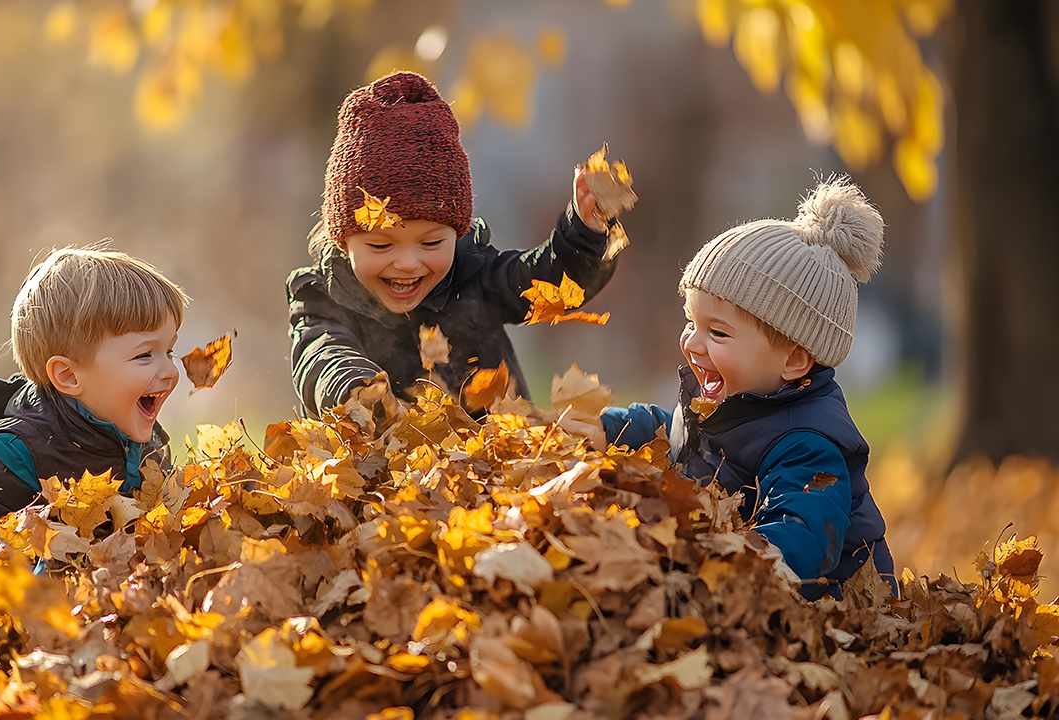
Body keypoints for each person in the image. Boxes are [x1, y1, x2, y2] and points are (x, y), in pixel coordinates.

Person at [602, 179, 894, 598]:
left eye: (718, 333)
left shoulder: (808, 446)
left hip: (834, 624)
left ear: (794, 360)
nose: (692, 343)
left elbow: (797, 544)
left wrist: (710, 566)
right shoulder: (735, 402)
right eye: (692, 323)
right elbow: (675, 434)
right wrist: (608, 429)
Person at [288, 71, 629, 417]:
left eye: (431, 242)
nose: (407, 263)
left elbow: (549, 283)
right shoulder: (324, 299)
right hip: (374, 466)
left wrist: (585, 232)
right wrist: (354, 389)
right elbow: (322, 355)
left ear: (458, 233)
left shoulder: (474, 274)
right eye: (381, 246)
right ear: (343, 242)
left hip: (493, 463)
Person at [0, 247, 189, 557]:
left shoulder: (143, 444)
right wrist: (15, 539)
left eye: (169, 352)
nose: (170, 370)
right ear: (69, 376)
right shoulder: (25, 450)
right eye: (144, 355)